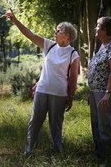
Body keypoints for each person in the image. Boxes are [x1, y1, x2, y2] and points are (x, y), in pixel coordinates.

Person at [5, 9, 80, 155]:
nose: (56, 32)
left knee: (55, 126)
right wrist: (14, 20)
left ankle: (57, 153)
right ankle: (29, 151)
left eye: (59, 30)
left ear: (68, 36)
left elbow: (73, 78)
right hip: (42, 90)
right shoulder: (49, 45)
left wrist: (70, 97)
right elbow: (29, 34)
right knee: (35, 123)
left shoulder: (73, 53)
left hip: (59, 94)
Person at [88, 16, 111, 161]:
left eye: (97, 26)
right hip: (95, 92)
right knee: (96, 125)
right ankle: (100, 155)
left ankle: (110, 159)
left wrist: (107, 94)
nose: (95, 28)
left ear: (104, 29)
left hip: (104, 93)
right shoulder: (102, 46)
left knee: (106, 126)